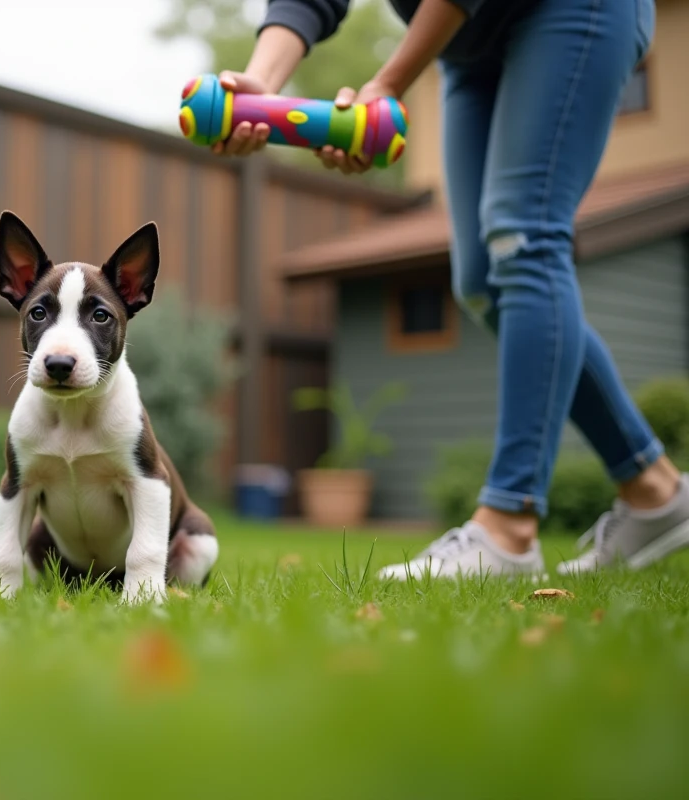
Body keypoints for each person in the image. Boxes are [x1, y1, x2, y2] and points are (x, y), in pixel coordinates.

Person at [218, 0, 689, 579]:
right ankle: (655, 490)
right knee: (483, 283)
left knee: (525, 239)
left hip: (572, 10)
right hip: (469, 46)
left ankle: (509, 527)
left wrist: (386, 83)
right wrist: (260, 88)